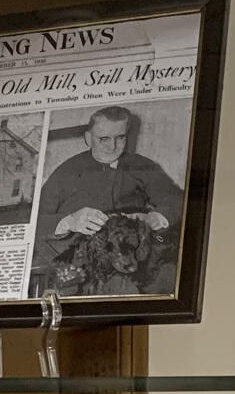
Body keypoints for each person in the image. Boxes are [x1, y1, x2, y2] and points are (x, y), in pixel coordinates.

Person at [32, 105, 182, 271]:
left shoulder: (142, 166)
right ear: (88, 138)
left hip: (131, 259)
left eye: (120, 137)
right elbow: (33, 219)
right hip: (79, 262)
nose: (113, 146)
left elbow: (176, 198)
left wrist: (157, 217)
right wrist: (68, 221)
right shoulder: (67, 171)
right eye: (104, 139)